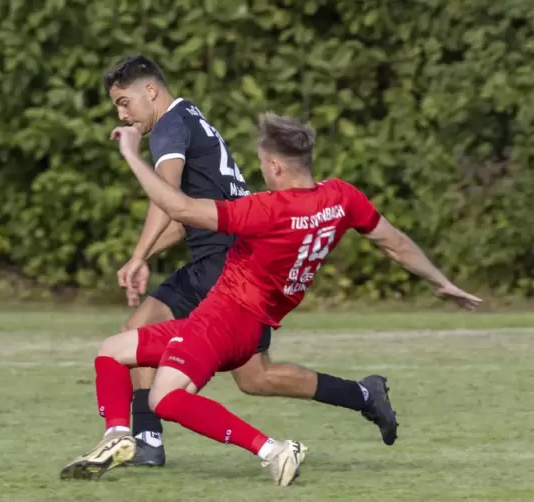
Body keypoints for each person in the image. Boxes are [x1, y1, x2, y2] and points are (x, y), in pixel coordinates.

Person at [59, 113, 482, 486]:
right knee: (113, 351)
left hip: (224, 320)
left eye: (262, 164)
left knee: (164, 399)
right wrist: (441, 281)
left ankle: (272, 450)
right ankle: (118, 439)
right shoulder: (341, 198)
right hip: (245, 321)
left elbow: (181, 209)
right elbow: (396, 243)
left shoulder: (267, 210)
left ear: (277, 166)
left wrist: (133, 154)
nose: (261, 172)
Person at [103, 54, 388, 469]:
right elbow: (184, 222)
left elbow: (167, 198)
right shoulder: (191, 119)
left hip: (223, 264)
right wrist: (143, 256)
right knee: (257, 377)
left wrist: (137, 255)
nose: (122, 113)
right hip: (232, 255)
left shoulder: (168, 127)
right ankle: (363, 395)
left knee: (136, 332)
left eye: (124, 101)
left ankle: (146, 440)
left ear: (151, 91)